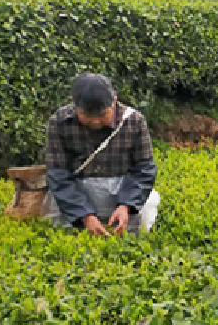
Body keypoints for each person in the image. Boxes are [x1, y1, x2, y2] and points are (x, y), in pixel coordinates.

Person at [43, 73, 160, 236]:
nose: (95, 121)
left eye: (102, 115)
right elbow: (58, 173)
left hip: (123, 191)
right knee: (63, 230)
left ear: (114, 101)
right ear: (75, 106)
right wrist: (84, 215)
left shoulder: (134, 121)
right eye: (87, 116)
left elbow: (144, 169)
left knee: (143, 214)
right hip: (77, 193)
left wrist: (126, 205)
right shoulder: (59, 121)